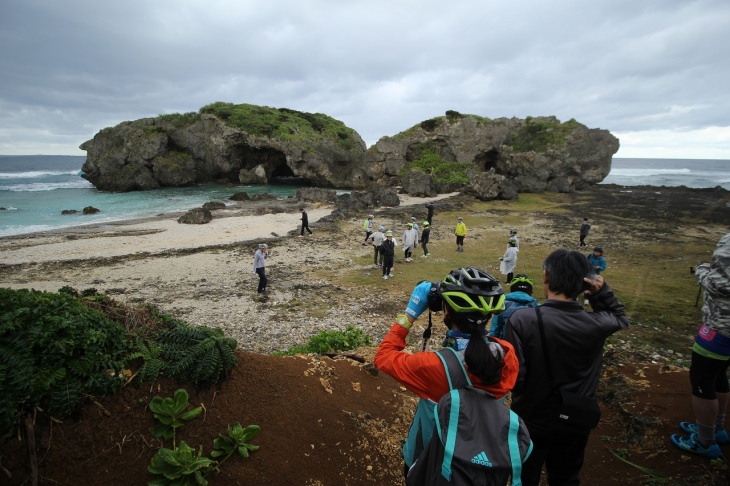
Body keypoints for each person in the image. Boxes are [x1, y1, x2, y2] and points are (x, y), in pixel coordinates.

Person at [374, 267, 519, 477]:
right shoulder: (507, 355)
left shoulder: (434, 366)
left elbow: (383, 356)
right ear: (489, 314)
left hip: (429, 464)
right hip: (480, 460)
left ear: (447, 312)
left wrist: (410, 314)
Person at [503, 249, 629, 485]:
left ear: (545, 277)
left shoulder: (523, 320)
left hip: (531, 419)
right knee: (566, 478)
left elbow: (516, 377)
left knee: (523, 477)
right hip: (576, 418)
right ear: (584, 285)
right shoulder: (596, 324)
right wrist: (601, 293)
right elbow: (619, 318)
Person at [671, 233, 730, 459]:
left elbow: (722, 285)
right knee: (718, 375)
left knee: (702, 380)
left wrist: (702, 271)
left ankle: (705, 441)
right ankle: (717, 428)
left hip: (721, 326)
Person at [489, 274, 539, 339]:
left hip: (507, 346)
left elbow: (494, 331)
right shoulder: (538, 307)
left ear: (512, 289)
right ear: (530, 290)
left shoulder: (501, 305)